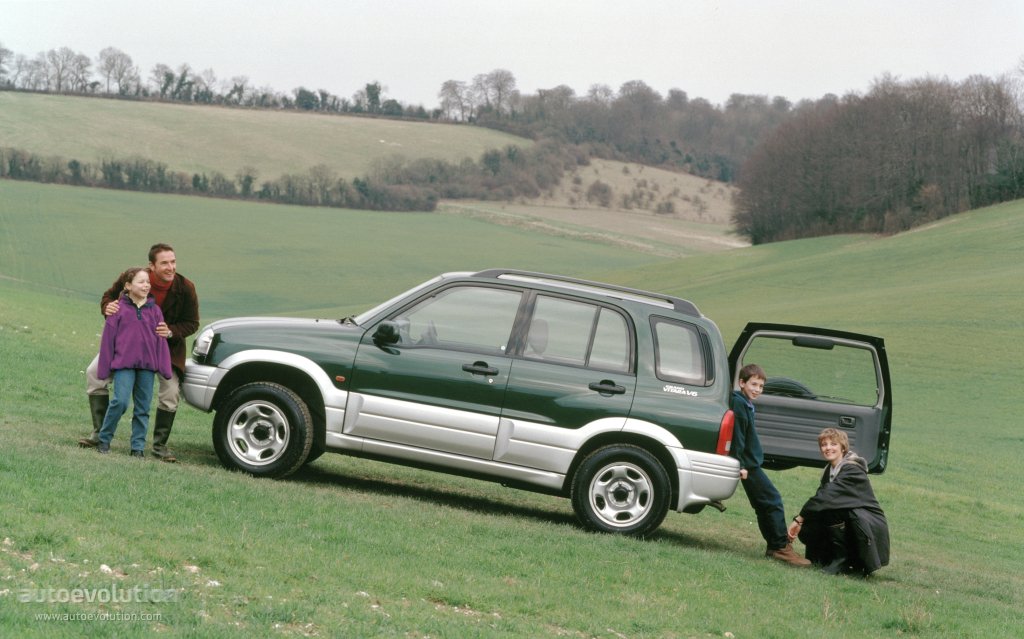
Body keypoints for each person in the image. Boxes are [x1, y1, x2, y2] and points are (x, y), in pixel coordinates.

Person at [79, 243, 200, 461]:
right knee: (93, 373)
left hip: (165, 350)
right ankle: (99, 434)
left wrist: (170, 331)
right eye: (164, 263)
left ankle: (159, 446)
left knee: (170, 393)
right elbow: (108, 297)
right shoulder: (135, 277)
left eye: (173, 261)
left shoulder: (186, 287)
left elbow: (192, 323)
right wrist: (107, 307)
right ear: (152, 266)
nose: (170, 267)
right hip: (126, 347)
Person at [731, 363, 810, 566]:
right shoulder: (739, 404)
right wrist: (739, 465)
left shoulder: (745, 402)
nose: (757, 389)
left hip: (750, 463)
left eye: (761, 386)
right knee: (772, 500)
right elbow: (738, 437)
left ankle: (774, 547)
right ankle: (780, 548)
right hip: (748, 465)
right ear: (742, 383)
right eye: (753, 384)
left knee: (763, 504)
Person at [787, 428, 890, 576]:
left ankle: (842, 560)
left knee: (832, 508)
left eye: (833, 444)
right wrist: (804, 521)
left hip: (867, 524)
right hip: (851, 518)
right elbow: (820, 497)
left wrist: (799, 519)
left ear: (843, 447)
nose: (828, 448)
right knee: (815, 516)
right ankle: (822, 558)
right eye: (824, 445)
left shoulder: (852, 470)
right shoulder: (830, 470)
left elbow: (827, 497)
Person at [95, 268, 173, 456]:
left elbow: (161, 341)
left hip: (147, 367)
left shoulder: (155, 311)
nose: (146, 285)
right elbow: (108, 340)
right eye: (141, 282)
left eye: (147, 282)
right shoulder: (117, 309)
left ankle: (137, 448)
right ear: (128, 286)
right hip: (124, 365)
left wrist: (164, 368)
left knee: (143, 408)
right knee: (120, 402)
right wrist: (104, 369)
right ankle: (104, 439)